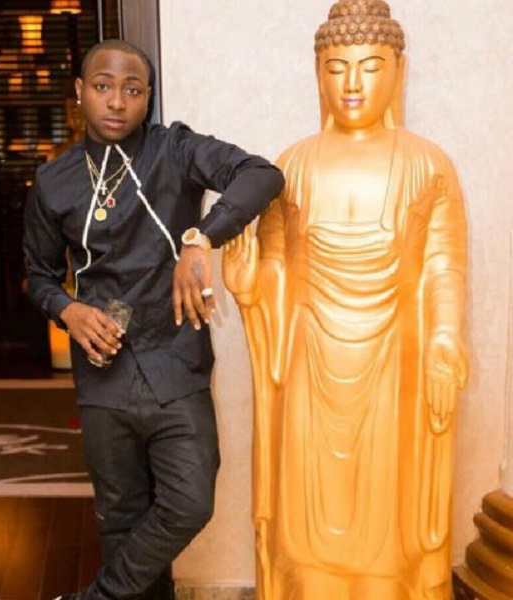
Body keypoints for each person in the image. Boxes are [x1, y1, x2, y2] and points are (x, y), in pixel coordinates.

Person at [223, 1, 468, 598]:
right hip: (309, 355)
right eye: (336, 68)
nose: (352, 83)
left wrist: (444, 336)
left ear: (397, 71)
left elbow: (443, 264)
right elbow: (275, 263)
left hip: (394, 360)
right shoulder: (292, 165)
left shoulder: (428, 164)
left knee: (387, 499)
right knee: (305, 499)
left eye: (370, 66)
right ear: (319, 74)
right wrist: (249, 285)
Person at [23, 39, 284, 600]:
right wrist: (68, 309)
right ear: (80, 91)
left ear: (148, 98)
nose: (117, 101)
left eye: (133, 90)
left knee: (189, 500)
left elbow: (261, 175)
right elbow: (38, 276)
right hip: (102, 368)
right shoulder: (54, 181)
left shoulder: (175, 150)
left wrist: (202, 237)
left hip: (175, 359)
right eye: (103, 86)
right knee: (120, 515)